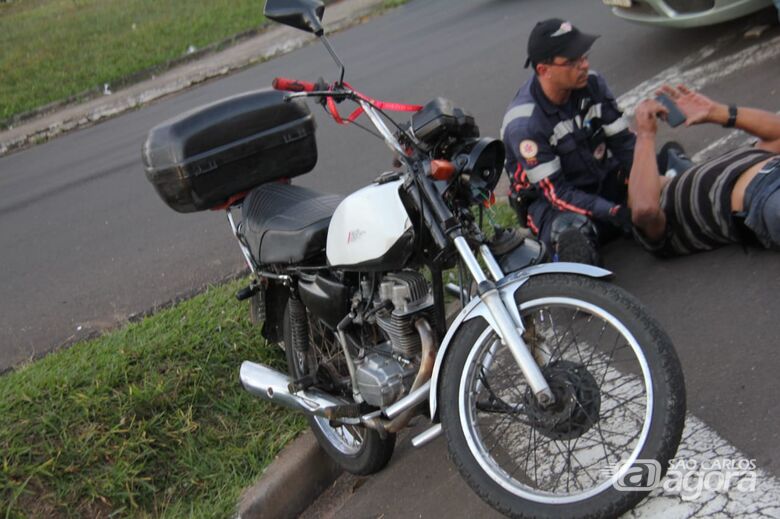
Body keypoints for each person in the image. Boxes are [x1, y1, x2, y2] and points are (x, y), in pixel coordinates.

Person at [501, 19, 640, 265]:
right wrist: (613, 212)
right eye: (573, 62)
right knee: (572, 232)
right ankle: (575, 286)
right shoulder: (525, 125)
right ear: (544, 70)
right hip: (554, 206)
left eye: (584, 56)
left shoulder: (592, 84)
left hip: (603, 182)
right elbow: (559, 194)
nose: (584, 65)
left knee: (669, 168)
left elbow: (625, 146)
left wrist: (644, 179)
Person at [628, 84, 780, 256]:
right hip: (763, 195)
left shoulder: (714, 168)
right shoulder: (665, 215)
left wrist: (716, 112)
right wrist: (645, 136)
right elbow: (644, 209)